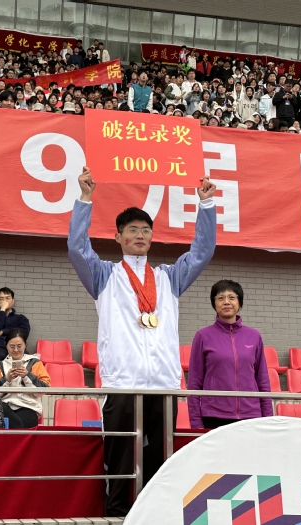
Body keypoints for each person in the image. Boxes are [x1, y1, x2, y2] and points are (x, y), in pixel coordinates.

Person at [68, 166, 216, 516]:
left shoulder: (169, 278)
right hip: (123, 385)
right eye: (132, 230)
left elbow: (202, 252)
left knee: (160, 468)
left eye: (146, 230)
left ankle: (156, 518)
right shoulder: (104, 275)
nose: (140, 235)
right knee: (120, 467)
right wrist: (85, 198)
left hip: (163, 387)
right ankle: (117, 518)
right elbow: (77, 248)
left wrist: (206, 205)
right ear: (118, 236)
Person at [188, 280, 272, 429]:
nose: (226, 302)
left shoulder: (254, 336)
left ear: (239, 303)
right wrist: (196, 424)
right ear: (214, 304)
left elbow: (262, 380)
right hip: (214, 416)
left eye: (232, 297)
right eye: (220, 298)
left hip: (250, 416)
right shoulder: (203, 336)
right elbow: (194, 383)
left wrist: (268, 418)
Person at [0, 328, 50, 428]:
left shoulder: (35, 363)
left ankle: (15, 432)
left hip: (28, 407)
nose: (15, 350)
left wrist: (26, 376)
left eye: (19, 346)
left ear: (25, 345)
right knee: (1, 407)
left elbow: (44, 390)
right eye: (12, 346)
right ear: (6, 346)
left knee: (11, 425)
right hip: (6, 406)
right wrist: (7, 379)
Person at [0, 287, 30, 362]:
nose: (4, 301)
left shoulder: (21, 318)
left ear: (13, 301)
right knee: (0, 356)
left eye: (7, 298)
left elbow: (24, 333)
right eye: (1, 299)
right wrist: (2, 309)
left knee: (27, 358)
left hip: (16, 347)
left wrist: (3, 332)